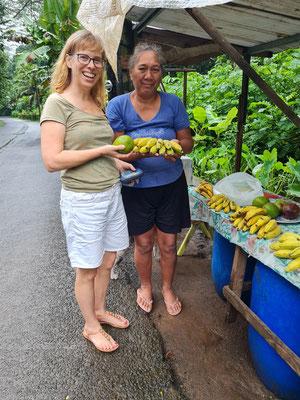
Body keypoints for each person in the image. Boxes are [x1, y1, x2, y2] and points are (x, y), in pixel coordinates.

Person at [40, 29, 135, 353]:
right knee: (88, 267)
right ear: (68, 60)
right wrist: (103, 153)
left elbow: (98, 147)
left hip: (110, 193)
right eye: (84, 57)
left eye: (97, 59)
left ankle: (99, 310)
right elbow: (52, 160)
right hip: (83, 200)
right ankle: (90, 326)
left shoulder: (97, 102)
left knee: (109, 260)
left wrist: (115, 163)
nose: (92, 65)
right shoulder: (57, 103)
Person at [106, 42, 194, 316]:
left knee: (168, 244)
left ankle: (167, 288)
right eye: (142, 68)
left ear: (161, 74)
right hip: (136, 186)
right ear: (131, 72)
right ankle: (145, 286)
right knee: (143, 243)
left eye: (155, 69)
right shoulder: (118, 105)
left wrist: (177, 149)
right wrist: (132, 155)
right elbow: (117, 149)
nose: (149, 75)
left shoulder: (173, 103)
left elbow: (188, 141)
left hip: (170, 185)